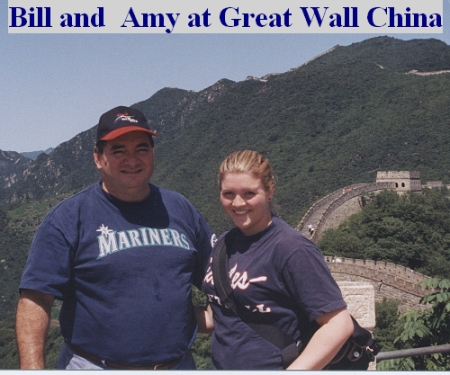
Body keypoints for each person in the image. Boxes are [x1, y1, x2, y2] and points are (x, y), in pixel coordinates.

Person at [15, 106, 215, 370]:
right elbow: (35, 299)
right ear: (98, 158)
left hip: (178, 365)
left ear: (153, 153)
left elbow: (220, 276)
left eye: (141, 149)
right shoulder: (68, 218)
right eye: (118, 151)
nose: (132, 160)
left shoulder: (180, 209)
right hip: (95, 365)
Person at [198, 150, 354, 370]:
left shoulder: (291, 248)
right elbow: (216, 317)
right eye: (229, 194)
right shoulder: (224, 244)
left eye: (249, 193)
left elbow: (338, 324)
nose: (238, 202)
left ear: (269, 191)